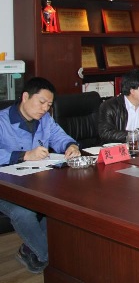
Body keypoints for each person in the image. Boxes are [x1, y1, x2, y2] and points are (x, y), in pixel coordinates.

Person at [0, 77, 81, 274]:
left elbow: (60, 137)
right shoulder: (2, 121)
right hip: (6, 187)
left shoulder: (45, 120)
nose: (45, 108)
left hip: (35, 183)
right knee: (24, 213)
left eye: (49, 105)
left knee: (61, 203)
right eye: (41, 102)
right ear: (25, 97)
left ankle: (30, 249)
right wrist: (23, 155)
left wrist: (70, 146)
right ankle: (50, 257)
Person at [98, 69, 139, 143]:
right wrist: (138, 135)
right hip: (119, 147)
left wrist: (138, 133)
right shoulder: (109, 106)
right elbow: (106, 133)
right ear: (132, 91)